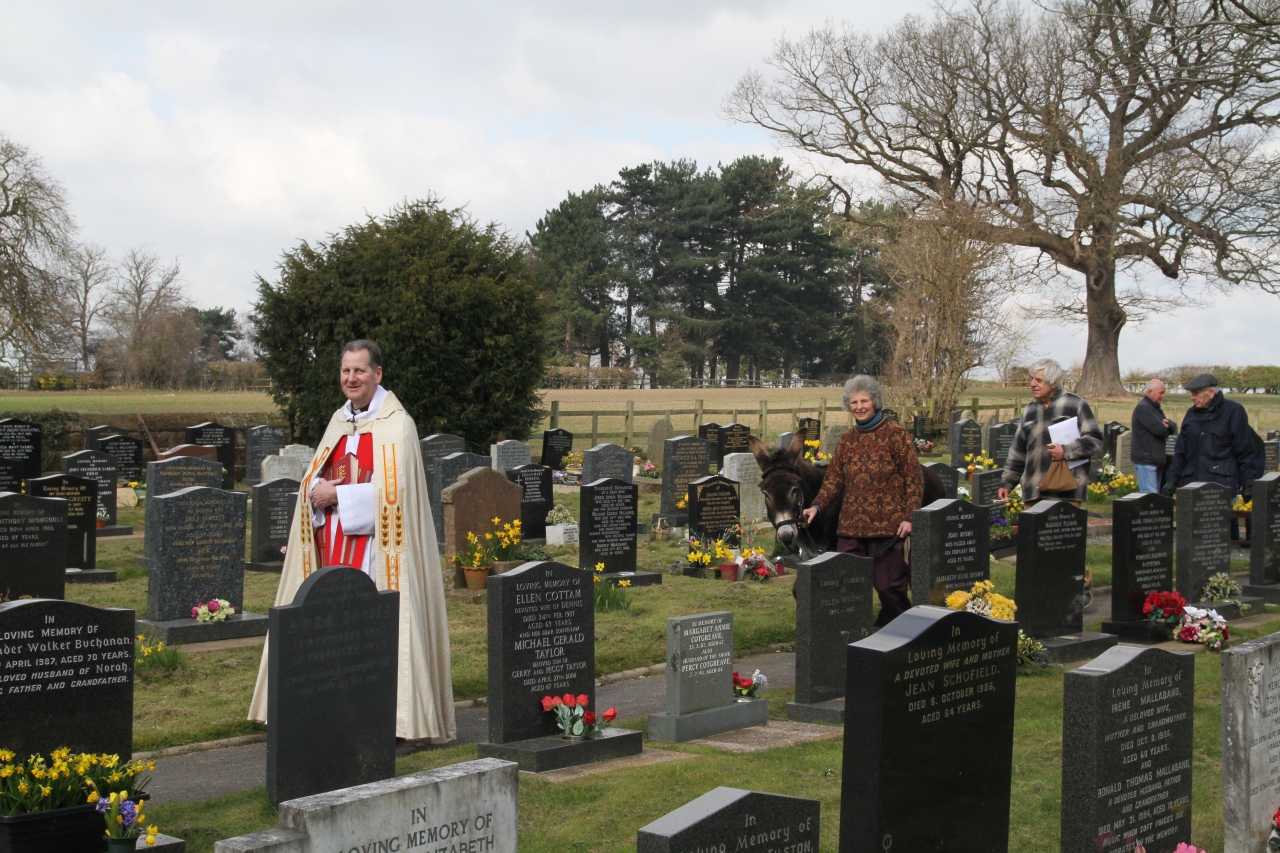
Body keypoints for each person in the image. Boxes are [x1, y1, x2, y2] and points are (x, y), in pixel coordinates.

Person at [248, 340, 456, 743]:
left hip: (380, 555)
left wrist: (338, 496)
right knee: (330, 631)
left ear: (377, 374)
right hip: (331, 548)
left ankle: (392, 724)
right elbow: (315, 480)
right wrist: (315, 492)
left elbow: (397, 496)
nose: (351, 378)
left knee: (374, 633)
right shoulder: (339, 422)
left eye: (359, 370)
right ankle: (322, 712)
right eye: (346, 371)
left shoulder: (398, 425)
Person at [800, 375, 923, 626]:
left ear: (874, 401)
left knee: (889, 586)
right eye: (854, 402)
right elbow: (834, 479)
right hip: (851, 527)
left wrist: (910, 516)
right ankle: (850, 632)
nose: (859, 407)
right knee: (847, 584)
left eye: (864, 401)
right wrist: (817, 506)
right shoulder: (847, 440)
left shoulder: (895, 434)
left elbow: (914, 477)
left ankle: (904, 630)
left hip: (887, 527)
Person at [997, 358, 1103, 505]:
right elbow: (1018, 451)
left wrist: (1066, 451)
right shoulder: (1029, 410)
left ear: (1054, 382)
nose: (1032, 384)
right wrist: (1007, 482)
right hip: (1034, 491)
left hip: (1067, 492)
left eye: (1039, 380)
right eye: (1032, 379)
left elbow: (1095, 440)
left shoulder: (1076, 405)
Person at [1164, 373, 1262, 502]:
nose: (1192, 397)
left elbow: (1244, 450)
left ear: (1211, 393)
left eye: (1196, 393)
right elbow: (1181, 451)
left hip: (1220, 484)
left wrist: (1248, 483)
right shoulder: (1191, 414)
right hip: (1192, 482)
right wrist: (1172, 480)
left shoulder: (1233, 411)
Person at [1130, 378, 1172, 494]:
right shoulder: (1145, 408)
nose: (1163, 396)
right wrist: (1165, 426)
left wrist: (1167, 425)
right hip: (1147, 460)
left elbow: (1172, 427)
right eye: (1161, 393)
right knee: (1149, 496)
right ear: (1150, 392)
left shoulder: (1155, 408)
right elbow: (1159, 430)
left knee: (1155, 497)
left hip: (1155, 459)